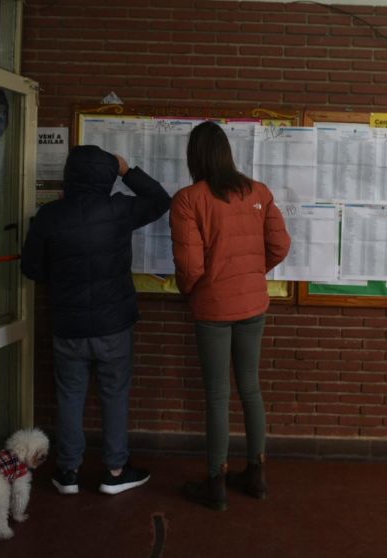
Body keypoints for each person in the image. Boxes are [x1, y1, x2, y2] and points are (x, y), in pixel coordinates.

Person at [21, 145, 171, 495]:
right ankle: (116, 471)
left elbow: (31, 268)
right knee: (114, 394)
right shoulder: (119, 209)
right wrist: (126, 170)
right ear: (106, 175)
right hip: (114, 326)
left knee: (70, 396)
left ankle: (68, 473)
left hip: (68, 327)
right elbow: (161, 199)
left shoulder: (50, 216)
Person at [170, 121, 291, 511]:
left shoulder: (189, 199)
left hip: (213, 309)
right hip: (253, 304)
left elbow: (189, 267)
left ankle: (216, 481)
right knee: (250, 389)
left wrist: (190, 290)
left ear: (195, 157)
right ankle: (256, 474)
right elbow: (280, 246)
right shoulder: (258, 192)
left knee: (217, 396)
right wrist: (253, 274)